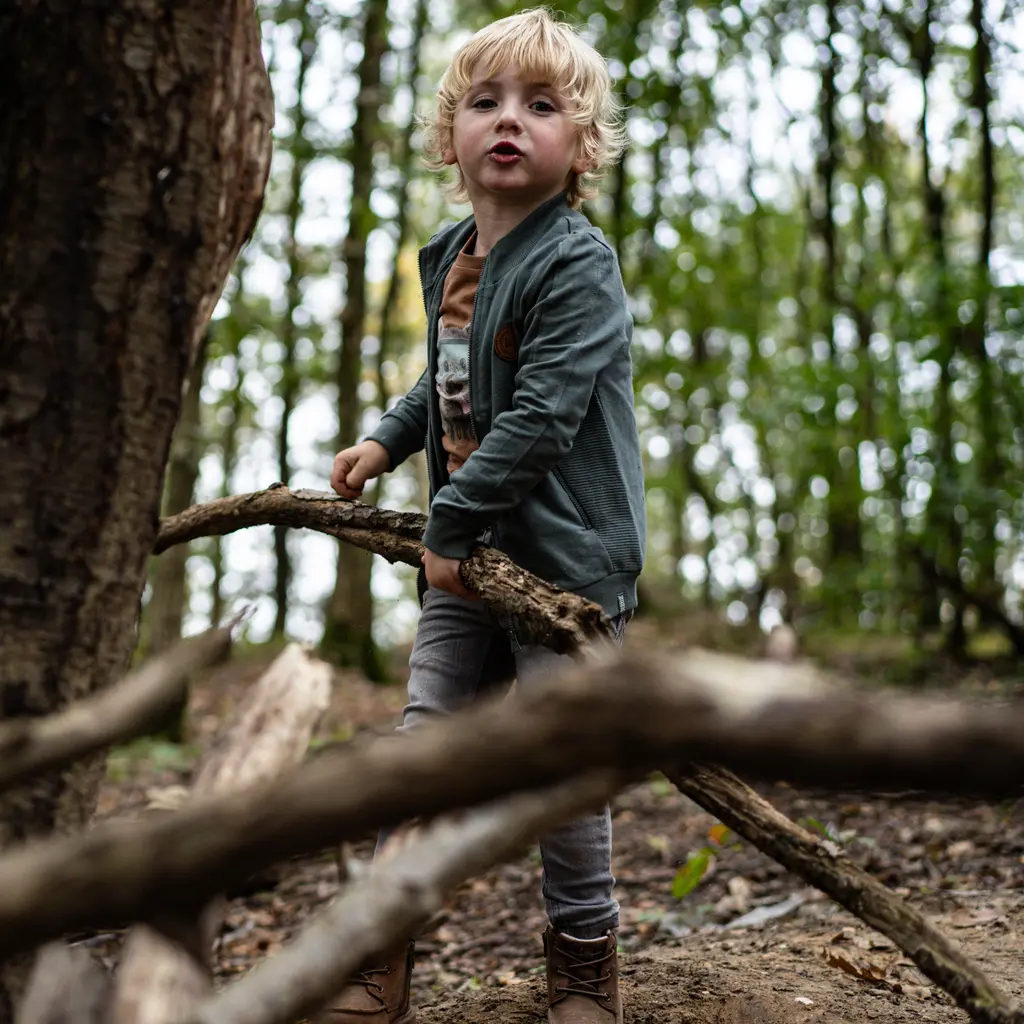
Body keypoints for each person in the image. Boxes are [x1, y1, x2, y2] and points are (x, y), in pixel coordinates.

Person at [322, 9, 645, 1023]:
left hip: (564, 569)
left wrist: (448, 528)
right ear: (448, 134)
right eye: (486, 101)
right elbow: (446, 385)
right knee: (423, 748)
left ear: (579, 146)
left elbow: (543, 417)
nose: (510, 121)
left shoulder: (577, 266)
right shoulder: (452, 255)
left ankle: (583, 960)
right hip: (464, 559)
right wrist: (385, 440)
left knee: (563, 765)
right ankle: (379, 952)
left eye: (540, 106)